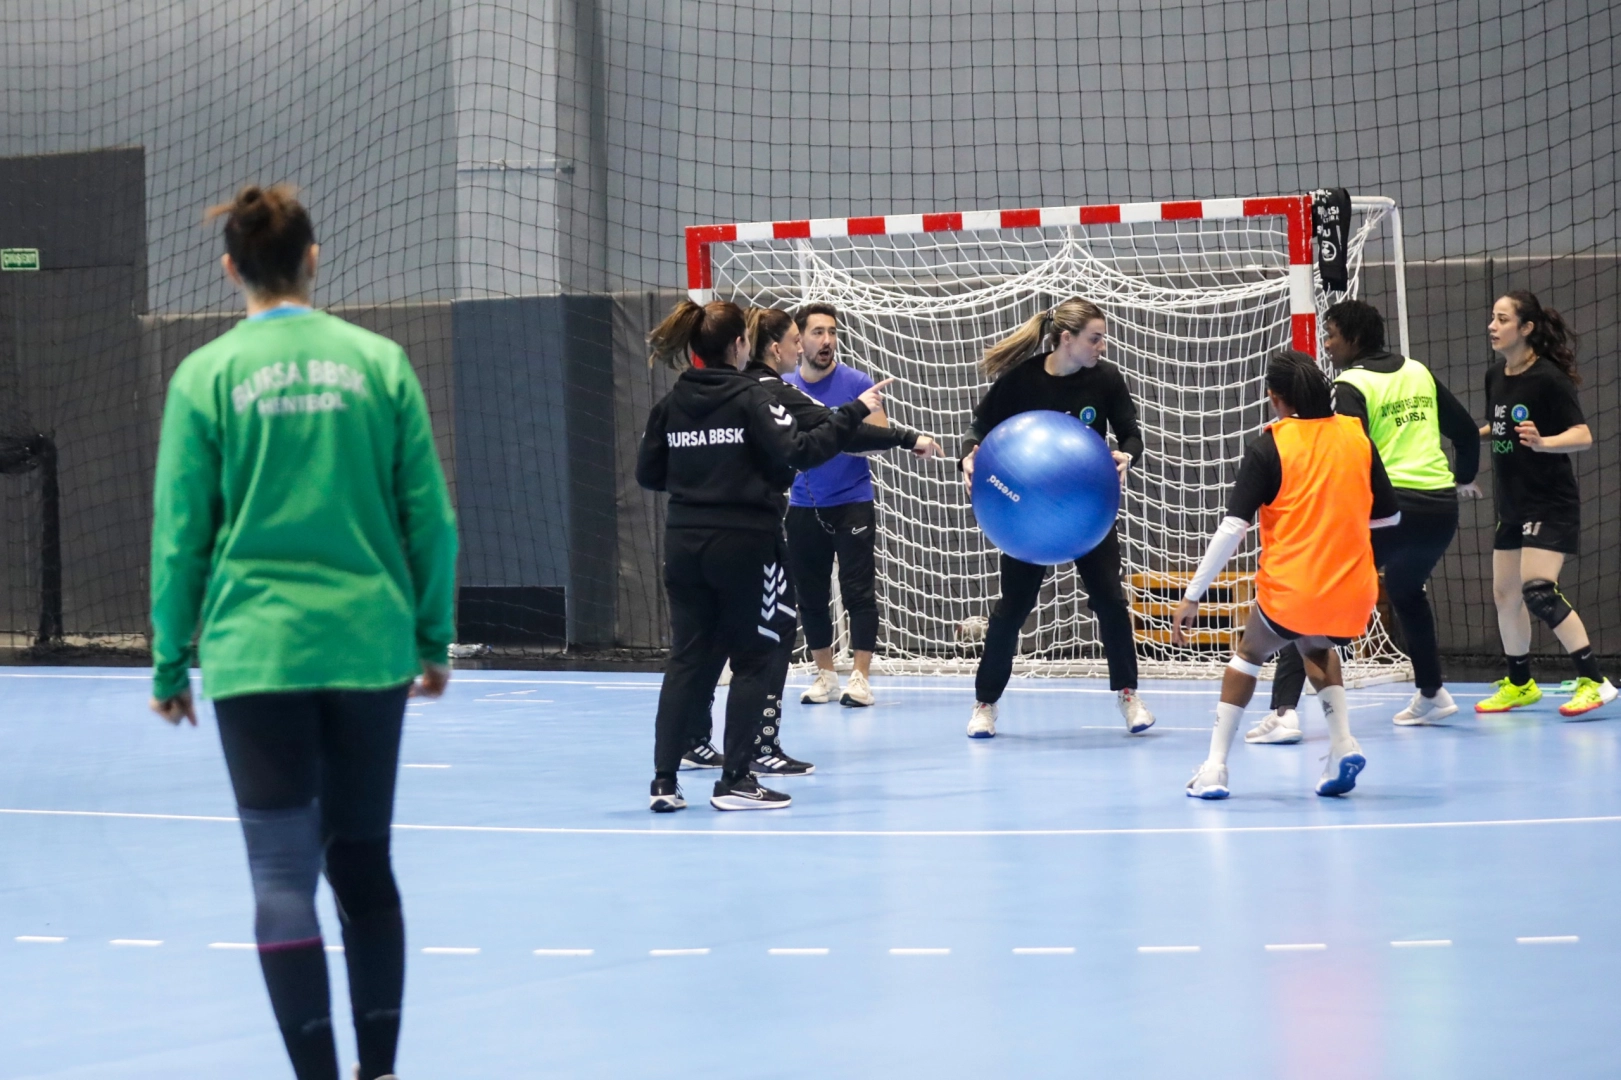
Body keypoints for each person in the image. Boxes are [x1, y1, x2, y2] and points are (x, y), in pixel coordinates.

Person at [148, 184, 457, 1080]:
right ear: (313, 259)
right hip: (368, 648)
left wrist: (169, 663)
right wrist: (431, 640)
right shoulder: (379, 363)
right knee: (362, 864)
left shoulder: (204, 376)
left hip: (256, 657)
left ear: (230, 268)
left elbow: (180, 536)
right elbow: (430, 518)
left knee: (281, 879)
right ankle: (381, 1070)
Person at [636, 299, 889, 812]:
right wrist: (853, 411)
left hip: (683, 543)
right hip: (743, 543)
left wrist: (701, 479)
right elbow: (801, 450)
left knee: (686, 658)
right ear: (739, 345)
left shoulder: (670, 403)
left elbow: (648, 474)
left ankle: (664, 782)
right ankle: (735, 780)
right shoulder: (750, 397)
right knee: (754, 657)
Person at [677, 308, 941, 777]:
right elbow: (815, 439)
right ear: (756, 345)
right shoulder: (766, 391)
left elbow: (649, 470)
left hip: (686, 537)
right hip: (746, 534)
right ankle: (756, 752)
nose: (808, 344)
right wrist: (901, 435)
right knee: (770, 636)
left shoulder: (689, 394)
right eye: (801, 336)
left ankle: (684, 751)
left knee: (703, 641)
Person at [1246, 300, 1482, 743]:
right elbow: (1467, 432)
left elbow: (1345, 448)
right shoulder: (1418, 371)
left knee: (1309, 601)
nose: (1327, 344)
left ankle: (1284, 713)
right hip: (1439, 510)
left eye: (1332, 335)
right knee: (1407, 590)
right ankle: (1432, 693)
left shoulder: (1350, 384)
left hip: (1391, 510)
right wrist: (1464, 479)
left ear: (1353, 338)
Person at [1172, 351, 1401, 799]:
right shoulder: (1357, 436)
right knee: (1316, 645)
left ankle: (1214, 767)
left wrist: (1193, 594)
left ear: (1275, 398)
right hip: (1354, 591)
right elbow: (1389, 516)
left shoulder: (1270, 446)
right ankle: (1342, 744)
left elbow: (1232, 528)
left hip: (1294, 589)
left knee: (1248, 654)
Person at [959, 296, 1155, 739]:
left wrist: (1128, 456)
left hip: (1087, 511)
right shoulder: (1020, 381)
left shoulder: (1105, 379)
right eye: (1095, 338)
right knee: (1013, 608)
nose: (1102, 346)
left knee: (1110, 600)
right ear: (1066, 339)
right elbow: (977, 428)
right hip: (1028, 516)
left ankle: (1128, 694)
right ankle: (985, 703)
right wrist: (967, 457)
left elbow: (1131, 434)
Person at [1473, 291, 1615, 717]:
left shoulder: (1549, 378)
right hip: (1512, 503)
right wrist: (1468, 435)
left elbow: (1583, 435)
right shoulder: (1495, 376)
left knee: (1537, 589)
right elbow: (1499, 426)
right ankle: (1520, 684)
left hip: (1549, 502)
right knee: (1505, 594)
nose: (1492, 326)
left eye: (1502, 319)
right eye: (1492, 318)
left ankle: (1595, 681)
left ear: (1527, 328)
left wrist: (1544, 442)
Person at [783, 302, 898, 708]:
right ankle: (826, 675)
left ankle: (860, 678)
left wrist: (835, 433)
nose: (827, 340)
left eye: (832, 332)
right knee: (810, 596)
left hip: (852, 502)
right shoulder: (784, 387)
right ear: (799, 341)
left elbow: (879, 439)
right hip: (802, 505)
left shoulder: (857, 383)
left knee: (857, 592)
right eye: (817, 332)